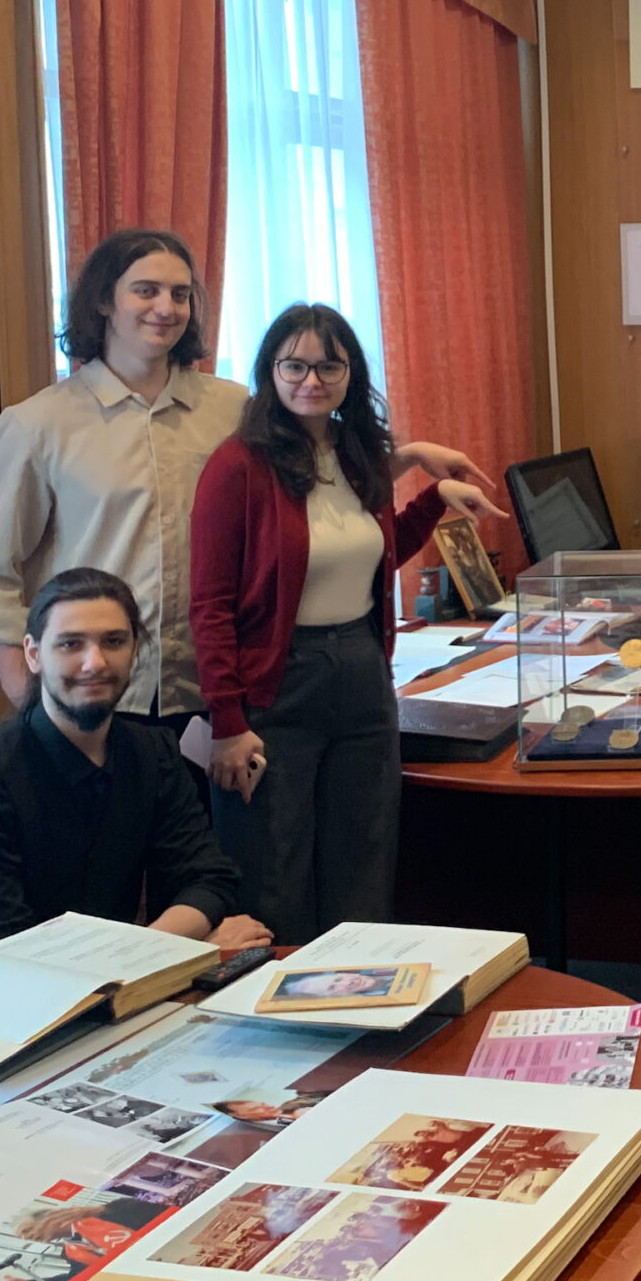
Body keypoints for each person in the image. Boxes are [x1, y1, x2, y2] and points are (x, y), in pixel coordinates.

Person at [0, 228, 488, 731]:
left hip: (216, 687)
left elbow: (322, 484)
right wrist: (22, 688)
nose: (166, 308)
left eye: (180, 294)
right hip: (98, 690)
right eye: (146, 291)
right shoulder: (38, 424)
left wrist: (409, 458)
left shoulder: (236, 409)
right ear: (104, 301)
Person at [190, 303, 499, 942]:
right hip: (277, 681)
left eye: (329, 366)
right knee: (275, 873)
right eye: (295, 366)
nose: (312, 380)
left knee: (364, 857)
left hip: (361, 672)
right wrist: (228, 722)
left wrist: (431, 501)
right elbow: (210, 604)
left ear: (351, 372)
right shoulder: (238, 465)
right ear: (269, 371)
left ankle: (358, 992)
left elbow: (373, 557)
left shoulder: (357, 454)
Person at [0, 568, 270, 959]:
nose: (94, 662)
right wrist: (174, 951)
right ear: (33, 654)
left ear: (135, 651)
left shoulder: (154, 752)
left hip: (110, 983)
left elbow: (208, 879)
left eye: (113, 641)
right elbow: (10, 956)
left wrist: (155, 951)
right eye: (70, 644)